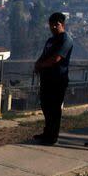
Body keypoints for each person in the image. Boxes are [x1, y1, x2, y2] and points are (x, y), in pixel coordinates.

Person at [34, 12, 74, 145]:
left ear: (61, 24)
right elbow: (44, 55)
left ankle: (53, 136)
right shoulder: (50, 40)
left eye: (55, 25)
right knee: (45, 105)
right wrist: (37, 64)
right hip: (46, 79)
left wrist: (42, 65)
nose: (52, 28)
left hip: (58, 79)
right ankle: (47, 131)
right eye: (50, 25)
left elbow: (56, 58)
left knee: (54, 108)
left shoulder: (66, 39)